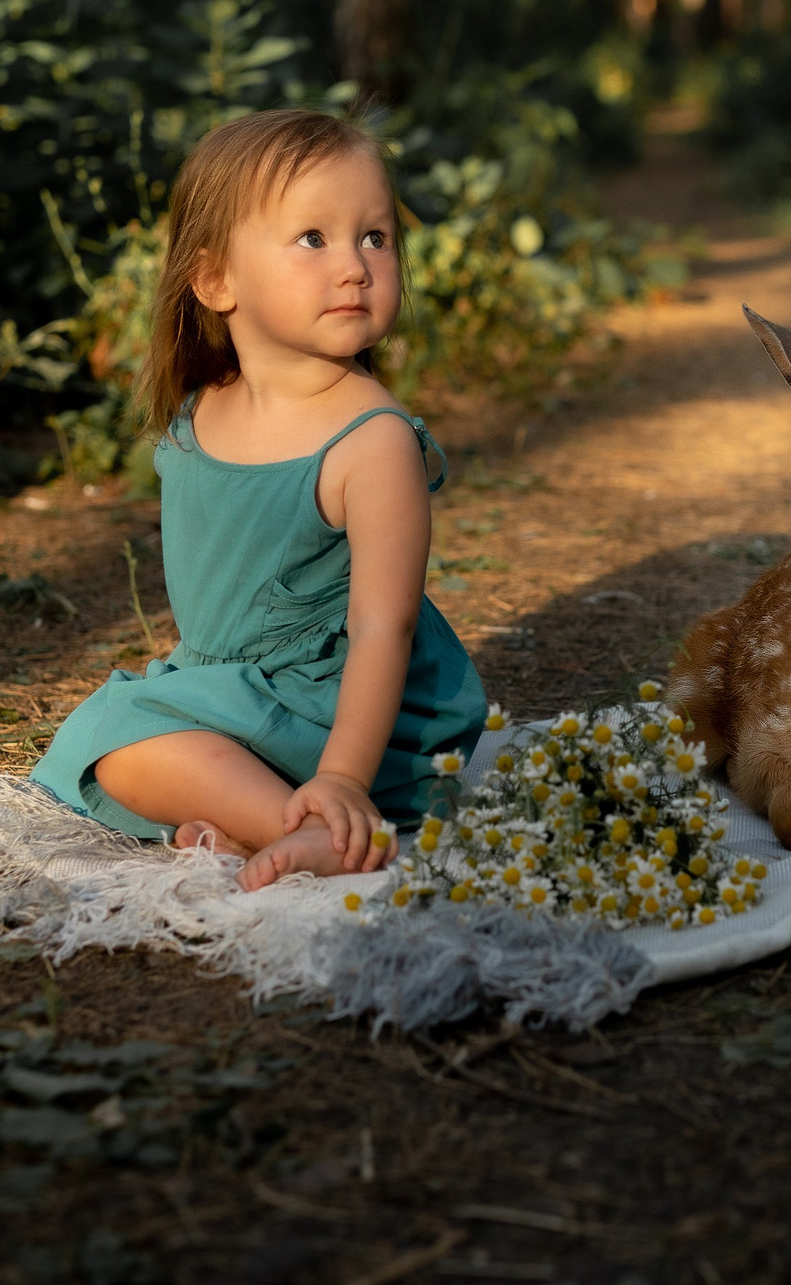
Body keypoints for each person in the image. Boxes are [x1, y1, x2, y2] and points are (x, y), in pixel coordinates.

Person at [31, 108, 486, 891]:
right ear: (216, 280)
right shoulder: (197, 414)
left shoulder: (370, 440)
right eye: (313, 239)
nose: (354, 266)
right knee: (118, 745)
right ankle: (276, 821)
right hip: (239, 694)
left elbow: (386, 625)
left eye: (374, 237)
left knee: (130, 737)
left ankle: (328, 819)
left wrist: (344, 773)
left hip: (348, 718)